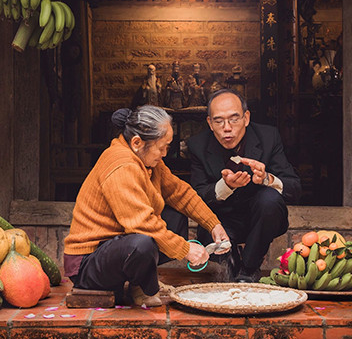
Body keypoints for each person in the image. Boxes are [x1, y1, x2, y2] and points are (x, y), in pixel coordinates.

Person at [64, 105, 230, 306]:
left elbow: (180, 193)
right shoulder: (121, 164)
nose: (165, 153)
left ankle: (139, 280)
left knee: (174, 219)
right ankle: (144, 286)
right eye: (162, 147)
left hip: (116, 247)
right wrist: (185, 249)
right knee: (141, 244)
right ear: (136, 142)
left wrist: (213, 224)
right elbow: (141, 224)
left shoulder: (149, 161)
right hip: (87, 265)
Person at [186, 89, 301, 282]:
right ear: (210, 124)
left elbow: (295, 189)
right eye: (219, 121)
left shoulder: (268, 137)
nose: (227, 128)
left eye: (234, 119)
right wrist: (225, 187)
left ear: (246, 118)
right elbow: (195, 196)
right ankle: (233, 261)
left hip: (259, 219)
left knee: (270, 199)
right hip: (221, 221)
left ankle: (249, 268)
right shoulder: (198, 145)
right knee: (226, 263)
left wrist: (267, 179)